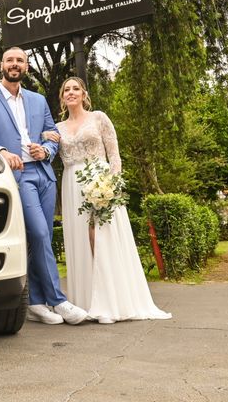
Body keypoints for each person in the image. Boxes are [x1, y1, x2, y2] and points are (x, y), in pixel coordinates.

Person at [0, 47, 88, 325]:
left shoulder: (38, 100)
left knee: (39, 239)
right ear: (1, 65)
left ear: (26, 67)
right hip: (18, 178)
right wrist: (0, 150)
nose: (15, 64)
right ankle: (59, 300)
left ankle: (35, 302)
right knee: (42, 235)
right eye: (10, 60)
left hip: (44, 175)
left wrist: (45, 150)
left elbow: (53, 135)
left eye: (20, 60)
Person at [43, 76, 171, 324]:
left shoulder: (98, 118)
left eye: (75, 89)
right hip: (71, 184)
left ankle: (112, 303)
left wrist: (111, 185)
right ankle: (88, 303)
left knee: (102, 237)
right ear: (62, 98)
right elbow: (48, 152)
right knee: (81, 240)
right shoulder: (57, 129)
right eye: (66, 89)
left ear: (84, 94)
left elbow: (114, 155)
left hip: (100, 180)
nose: (71, 92)